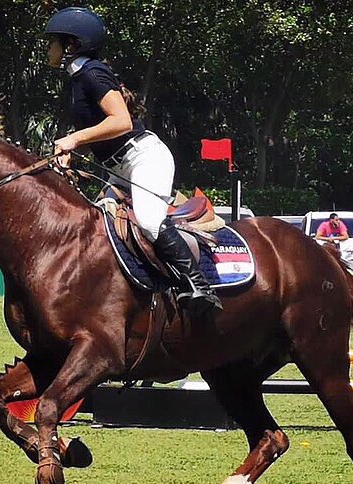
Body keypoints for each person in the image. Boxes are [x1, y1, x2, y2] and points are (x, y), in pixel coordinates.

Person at [44, 7, 221, 316]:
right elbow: (100, 132)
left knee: (150, 221)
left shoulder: (92, 73)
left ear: (72, 44)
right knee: (95, 226)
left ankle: (198, 285)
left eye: (53, 42)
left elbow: (122, 122)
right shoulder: (77, 80)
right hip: (118, 168)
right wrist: (72, 153)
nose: (49, 49)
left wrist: (73, 139)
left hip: (144, 159)